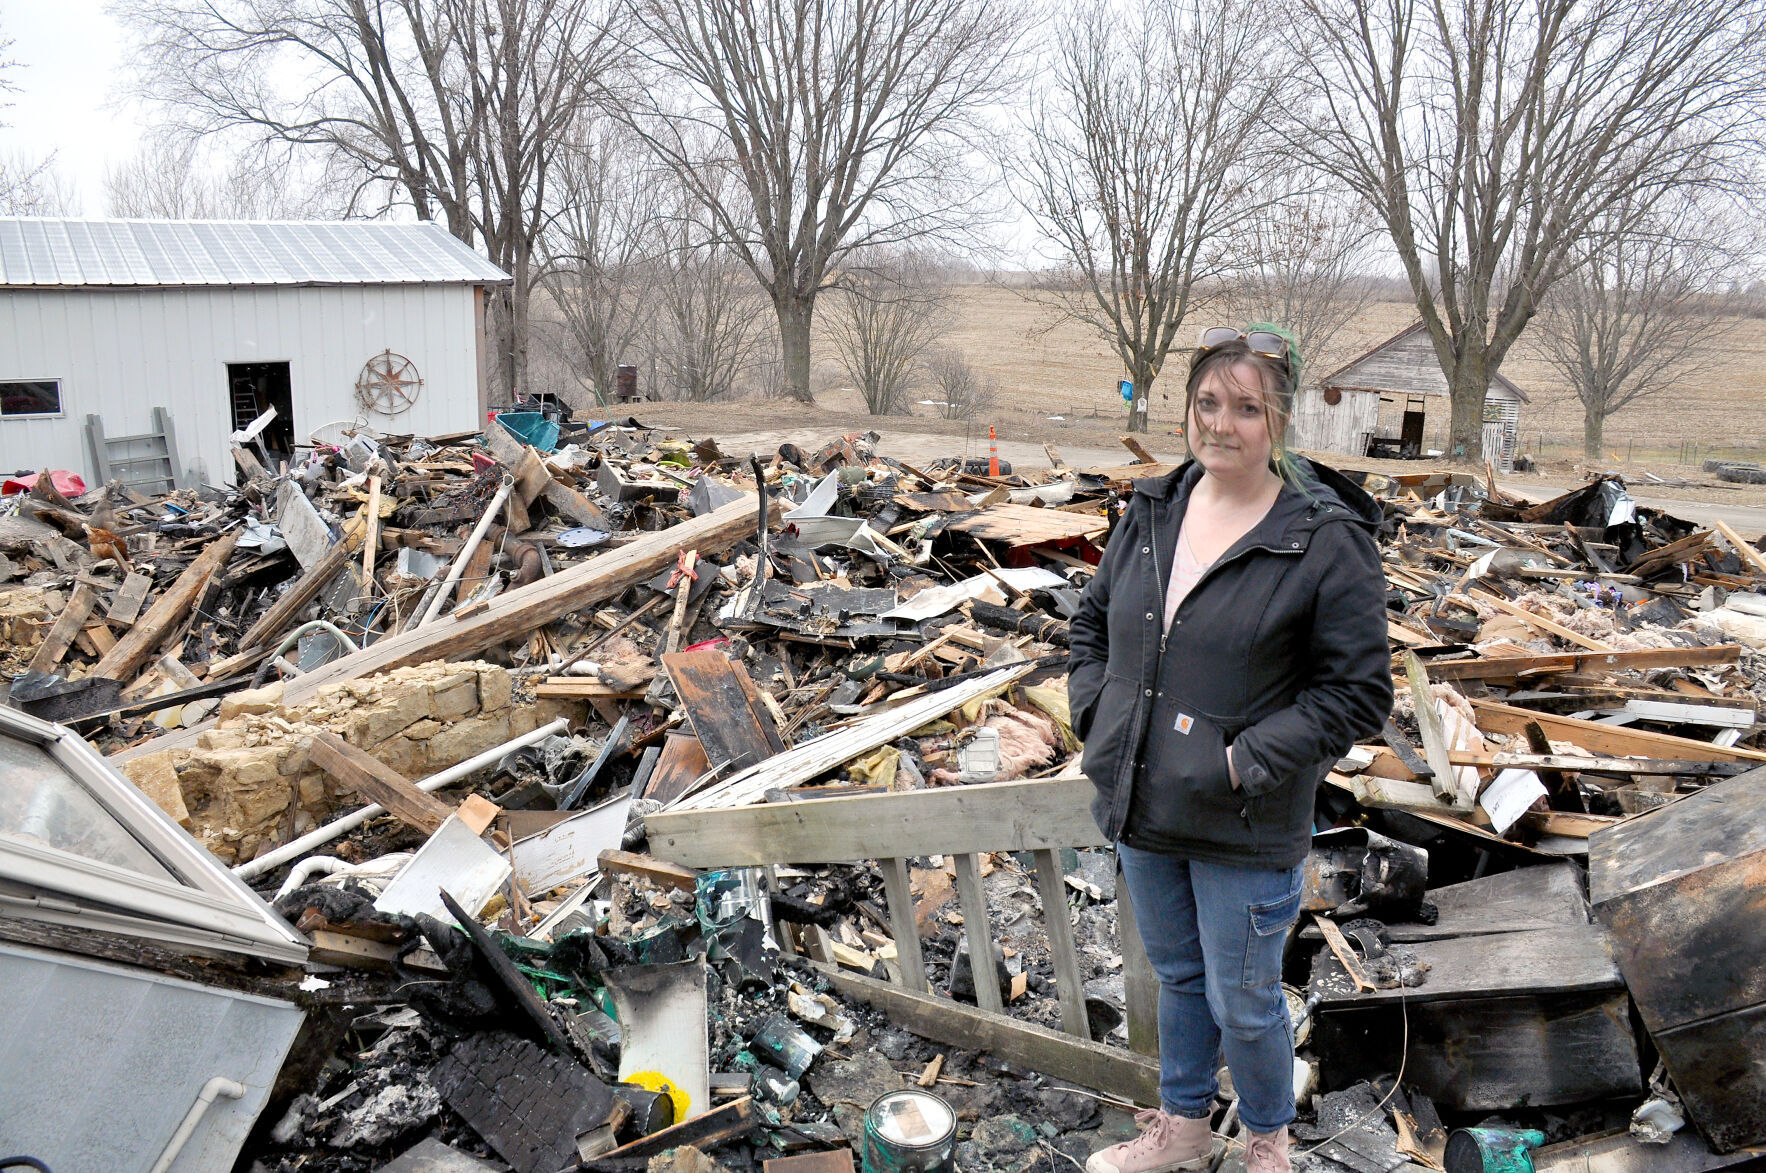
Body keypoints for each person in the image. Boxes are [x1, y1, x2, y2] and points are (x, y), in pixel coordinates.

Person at [1068, 326, 1394, 1173]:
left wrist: (1240, 760)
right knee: (1179, 978)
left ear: (1278, 419)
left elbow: (1357, 693)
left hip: (1245, 820)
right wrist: (1099, 717)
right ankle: (1180, 1130)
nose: (1223, 424)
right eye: (1208, 403)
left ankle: (1266, 1144)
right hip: (1144, 804)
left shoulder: (1325, 537)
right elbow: (1091, 623)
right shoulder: (1154, 510)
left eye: (1247, 407)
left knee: (1243, 998)